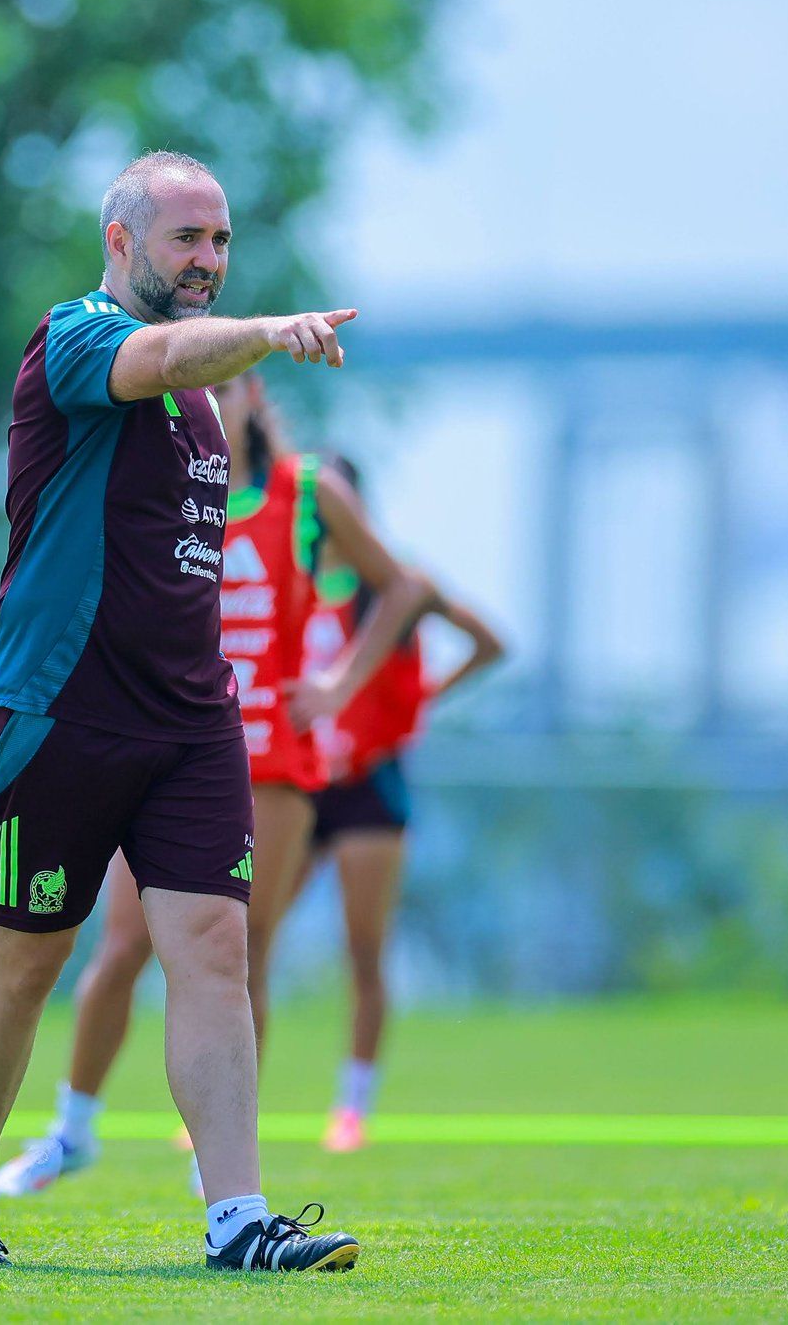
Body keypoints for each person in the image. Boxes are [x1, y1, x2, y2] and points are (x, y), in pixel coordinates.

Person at [0, 150, 365, 1272]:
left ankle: (238, 1218)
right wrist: (268, 331)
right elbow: (160, 351)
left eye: (220, 240)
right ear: (121, 242)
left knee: (216, 951)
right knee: (25, 960)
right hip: (60, 713)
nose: (208, 260)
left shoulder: (202, 414)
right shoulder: (74, 338)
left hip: (188, 722)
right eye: (187, 239)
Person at [0, 380, 428, 1200]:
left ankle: (216, 1158)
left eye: (230, 381)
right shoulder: (161, 474)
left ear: (258, 392)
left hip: (272, 764)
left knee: (239, 953)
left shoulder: (305, 494)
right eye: (203, 382)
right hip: (168, 748)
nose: (215, 397)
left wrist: (335, 682)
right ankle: (71, 1132)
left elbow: (401, 589)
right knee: (119, 946)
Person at [303, 455, 506, 1153]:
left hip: (368, 784)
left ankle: (351, 1106)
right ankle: (220, 1102)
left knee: (362, 950)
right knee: (239, 942)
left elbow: (488, 643)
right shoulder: (285, 573)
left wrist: (419, 701)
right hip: (296, 778)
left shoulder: (394, 580)